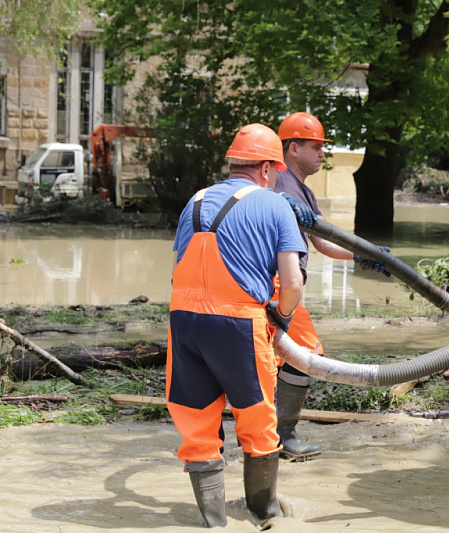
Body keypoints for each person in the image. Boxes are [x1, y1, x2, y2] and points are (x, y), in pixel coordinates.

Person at [167, 123, 307, 528]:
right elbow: (293, 281)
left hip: (184, 323)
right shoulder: (275, 204)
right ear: (267, 168)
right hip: (238, 326)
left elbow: (178, 270)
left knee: (196, 424)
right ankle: (264, 516)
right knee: (257, 422)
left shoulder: (192, 201)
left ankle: (212, 523)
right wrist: (281, 316)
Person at [271, 111, 389, 461]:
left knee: (276, 361)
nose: (323, 153)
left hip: (282, 286)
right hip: (274, 284)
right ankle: (284, 435)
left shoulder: (304, 191)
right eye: (316, 146)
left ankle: (268, 435)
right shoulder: (276, 180)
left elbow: (323, 240)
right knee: (305, 355)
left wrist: (361, 254)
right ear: (293, 149)